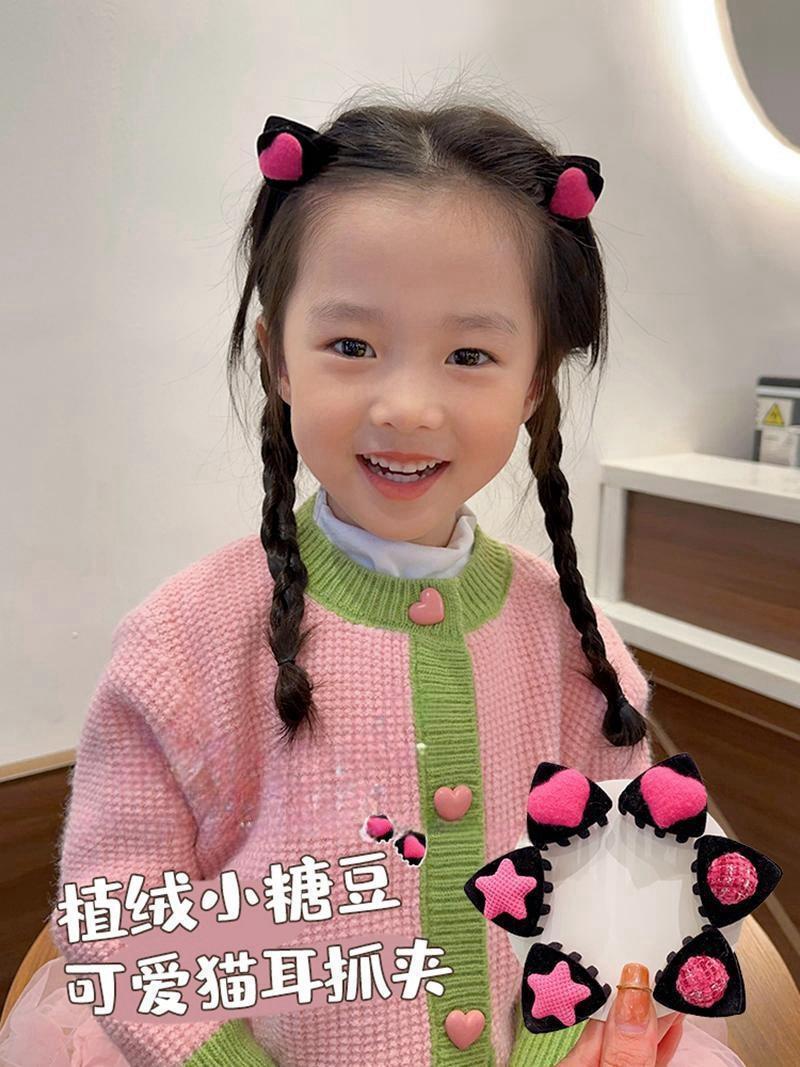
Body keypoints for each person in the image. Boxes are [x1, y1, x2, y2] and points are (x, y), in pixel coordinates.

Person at [2, 87, 749, 1066]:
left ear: (534, 380)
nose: (406, 406)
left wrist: (554, 1047)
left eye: (468, 353)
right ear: (276, 358)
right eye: (350, 345)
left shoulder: (570, 639)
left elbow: (610, 874)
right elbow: (119, 904)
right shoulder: (181, 640)